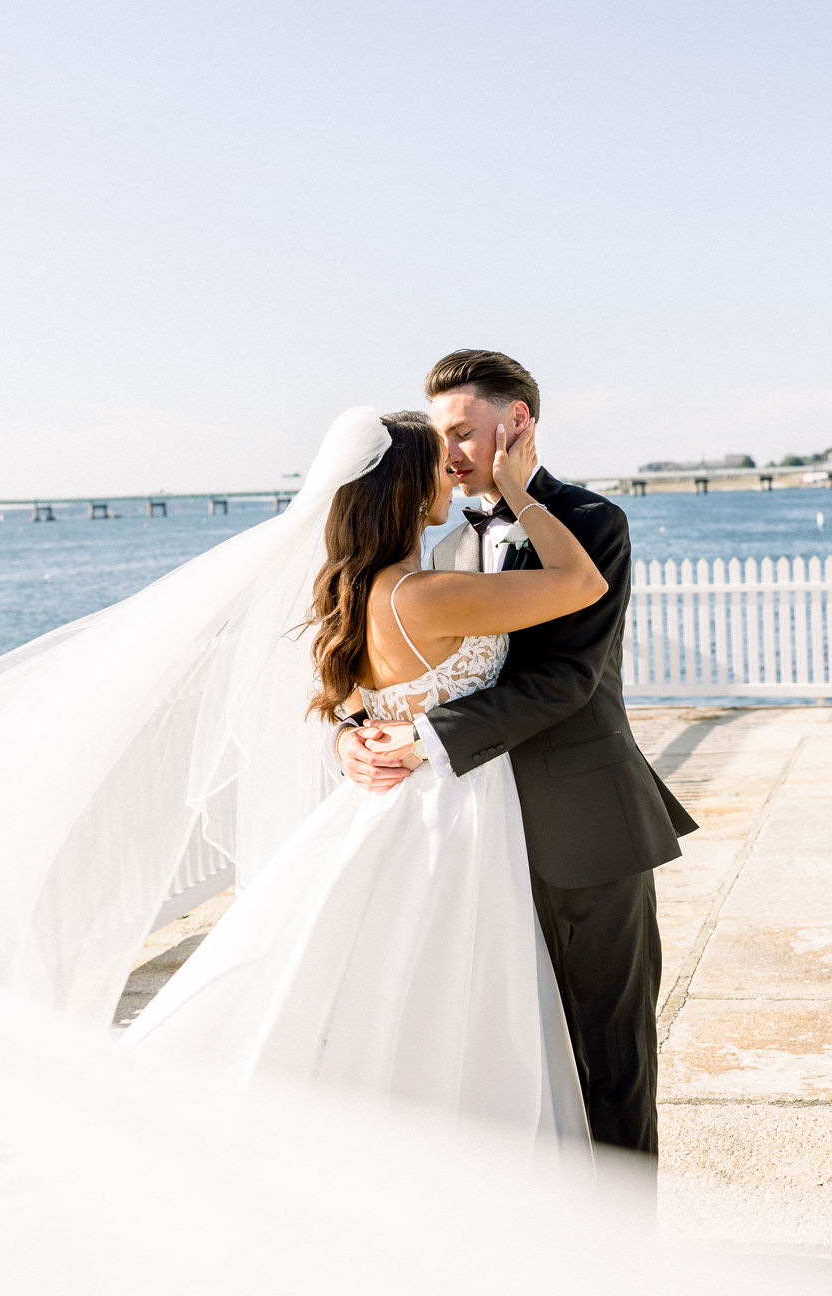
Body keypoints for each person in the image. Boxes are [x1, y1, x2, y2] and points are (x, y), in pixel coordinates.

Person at [118, 408, 606, 1147]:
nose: (453, 471)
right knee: (455, 1001)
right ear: (410, 489)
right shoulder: (426, 595)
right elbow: (580, 583)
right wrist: (520, 489)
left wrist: (351, 737)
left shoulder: (348, 594)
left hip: (386, 811)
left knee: (378, 999)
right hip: (454, 815)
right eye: (439, 465)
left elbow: (355, 710)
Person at [338, 351, 698, 1160]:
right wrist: (351, 733)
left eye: (463, 432)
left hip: (581, 833)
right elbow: (395, 663)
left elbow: (568, 680)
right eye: (439, 439)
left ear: (518, 423)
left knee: (610, 1061)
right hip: (469, 844)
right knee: (499, 1063)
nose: (449, 454)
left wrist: (425, 740)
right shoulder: (436, 548)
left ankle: (622, 1264)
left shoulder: (593, 523)